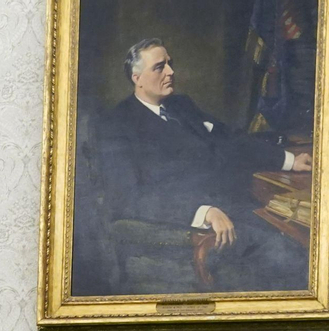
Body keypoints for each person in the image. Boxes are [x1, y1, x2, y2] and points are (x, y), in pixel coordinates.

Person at [94, 37, 313, 293]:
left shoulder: (181, 106)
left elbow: (230, 140)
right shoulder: (116, 124)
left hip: (237, 208)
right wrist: (203, 211)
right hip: (191, 229)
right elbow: (128, 197)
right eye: (160, 67)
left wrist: (289, 160)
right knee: (290, 258)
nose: (171, 72)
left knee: (302, 242)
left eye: (170, 64)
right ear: (137, 78)